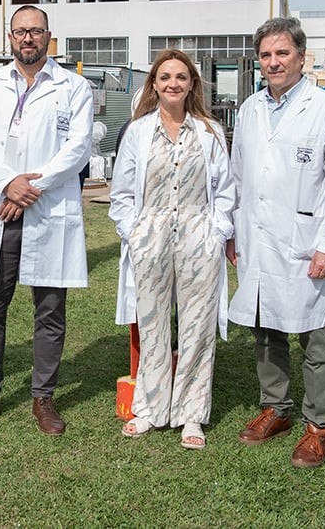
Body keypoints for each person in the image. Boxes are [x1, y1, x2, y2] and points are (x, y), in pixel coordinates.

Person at [0, 5, 93, 436]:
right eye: (20, 31)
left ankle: (43, 398)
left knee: (50, 310)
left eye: (35, 31)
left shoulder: (74, 86)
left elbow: (79, 146)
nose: (27, 38)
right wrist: (7, 183)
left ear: (48, 36)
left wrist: (31, 188)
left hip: (46, 210)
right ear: (9, 37)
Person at [228, 17, 325, 469]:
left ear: (302, 57)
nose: (273, 62)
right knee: (265, 330)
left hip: (305, 243)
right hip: (257, 239)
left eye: (282, 53)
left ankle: (319, 427)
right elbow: (238, 178)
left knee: (314, 337)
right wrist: (233, 231)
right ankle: (276, 408)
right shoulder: (249, 109)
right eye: (265, 55)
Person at [108, 49, 234, 450]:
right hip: (152, 236)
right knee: (152, 323)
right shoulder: (139, 131)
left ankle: (191, 413)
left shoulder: (210, 132)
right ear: (155, 85)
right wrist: (135, 232)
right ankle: (150, 408)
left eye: (181, 76)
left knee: (198, 326)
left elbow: (226, 190)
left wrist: (217, 232)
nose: (173, 83)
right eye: (165, 77)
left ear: (192, 83)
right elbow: (122, 192)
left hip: (199, 235)